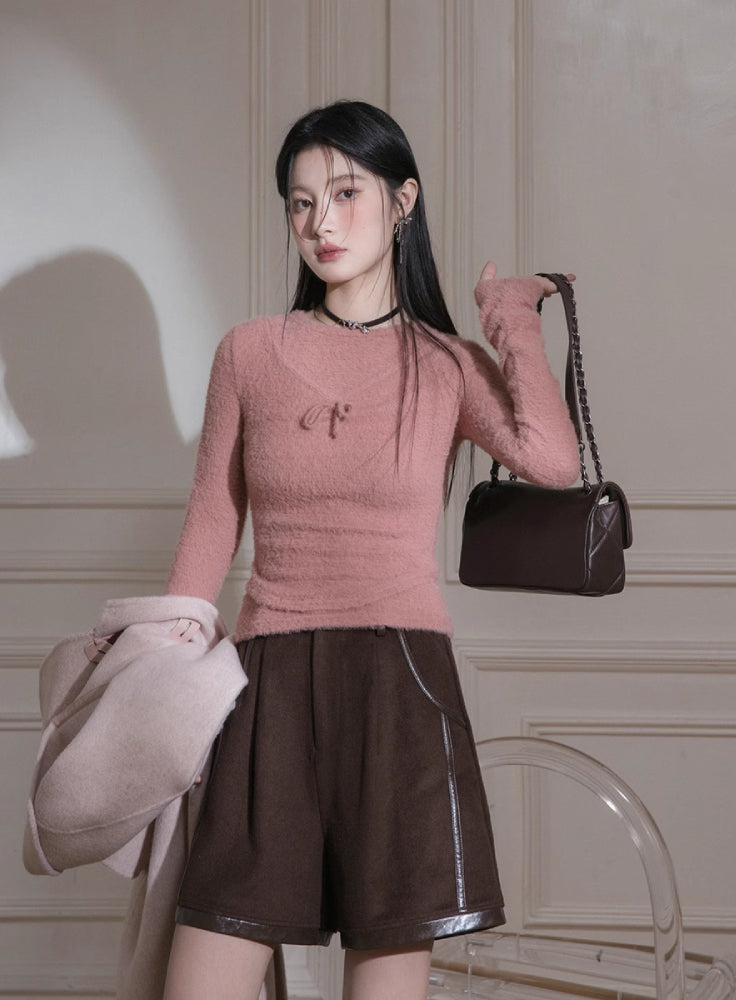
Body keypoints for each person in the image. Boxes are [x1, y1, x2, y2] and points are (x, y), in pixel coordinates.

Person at [162, 99, 580, 1000]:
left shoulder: (446, 364)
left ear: (402, 202)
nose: (322, 222)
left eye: (346, 193)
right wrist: (166, 667)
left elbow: (552, 461)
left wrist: (510, 317)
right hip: (265, 686)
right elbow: (211, 522)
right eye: (301, 202)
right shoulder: (249, 354)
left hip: (401, 687)